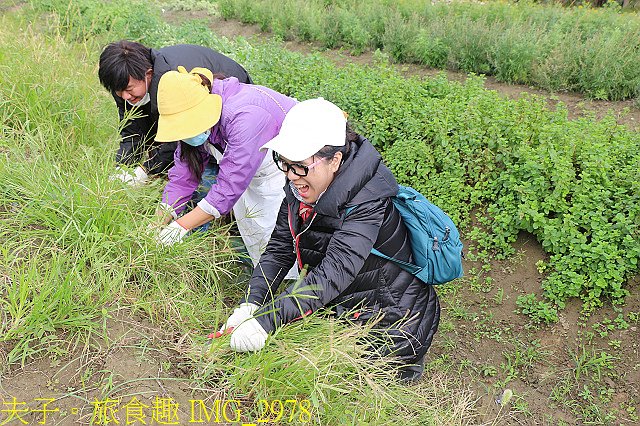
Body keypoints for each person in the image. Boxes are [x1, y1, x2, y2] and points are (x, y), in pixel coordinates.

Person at [218, 98, 441, 382]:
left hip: (392, 323)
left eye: (299, 165)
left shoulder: (367, 202)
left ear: (335, 160)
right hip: (345, 309)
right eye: (283, 163)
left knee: (357, 397)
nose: (289, 175)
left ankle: (407, 372)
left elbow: (333, 274)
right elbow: (279, 248)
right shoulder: (301, 187)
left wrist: (267, 320)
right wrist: (252, 302)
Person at [154, 66, 297, 277]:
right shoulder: (202, 123)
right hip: (250, 174)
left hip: (285, 169)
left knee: (281, 233)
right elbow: (183, 178)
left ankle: (289, 287)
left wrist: (180, 227)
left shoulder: (244, 116)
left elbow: (229, 187)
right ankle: (264, 280)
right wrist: (158, 220)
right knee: (254, 227)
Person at [98, 41, 252, 185]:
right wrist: (123, 169)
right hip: (196, 113)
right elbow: (132, 131)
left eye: (129, 89)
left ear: (148, 74)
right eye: (118, 91)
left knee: (210, 177)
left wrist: (145, 170)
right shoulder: (124, 85)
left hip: (233, 102)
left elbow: (177, 134)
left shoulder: (173, 81)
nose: (125, 96)